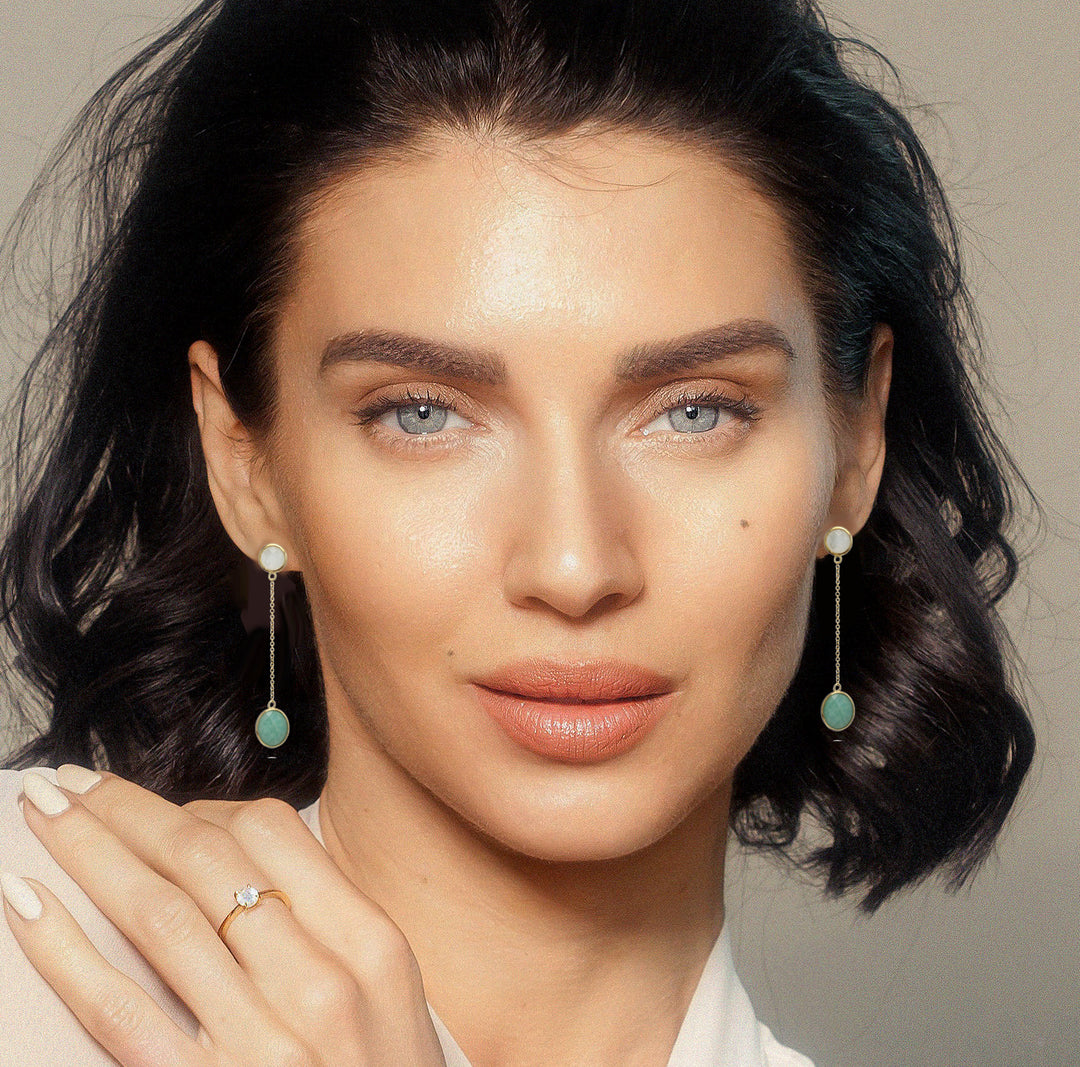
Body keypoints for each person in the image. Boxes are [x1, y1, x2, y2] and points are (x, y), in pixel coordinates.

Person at [0, 0, 1037, 1063]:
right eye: (421, 412)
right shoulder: (26, 948)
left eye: (695, 409)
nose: (576, 565)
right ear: (245, 462)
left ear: (854, 446)